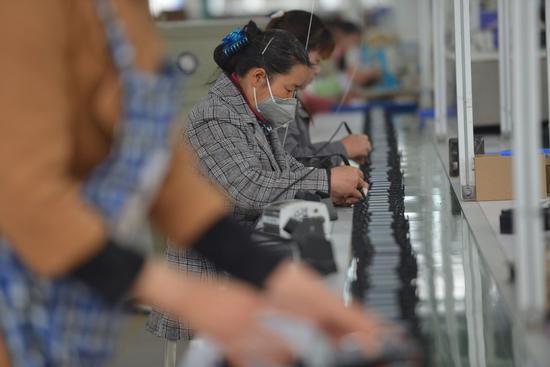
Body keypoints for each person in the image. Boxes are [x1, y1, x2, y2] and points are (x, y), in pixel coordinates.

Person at [0, 2, 385, 367]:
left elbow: (164, 171)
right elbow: (22, 193)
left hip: (71, 293)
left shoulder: (128, 16)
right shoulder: (32, 10)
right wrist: (183, 293)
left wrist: (274, 275)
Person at [147, 21, 370, 342]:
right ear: (258, 78)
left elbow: (285, 170)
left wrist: (329, 191)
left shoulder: (252, 113)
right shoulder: (216, 118)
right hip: (210, 279)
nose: (292, 100)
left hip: (242, 259)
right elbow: (248, 188)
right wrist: (325, 179)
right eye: (290, 90)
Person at [266, 10, 372, 165]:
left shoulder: (288, 95)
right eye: (315, 62)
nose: (318, 70)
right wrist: (342, 148)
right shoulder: (276, 99)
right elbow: (291, 161)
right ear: (292, 56)